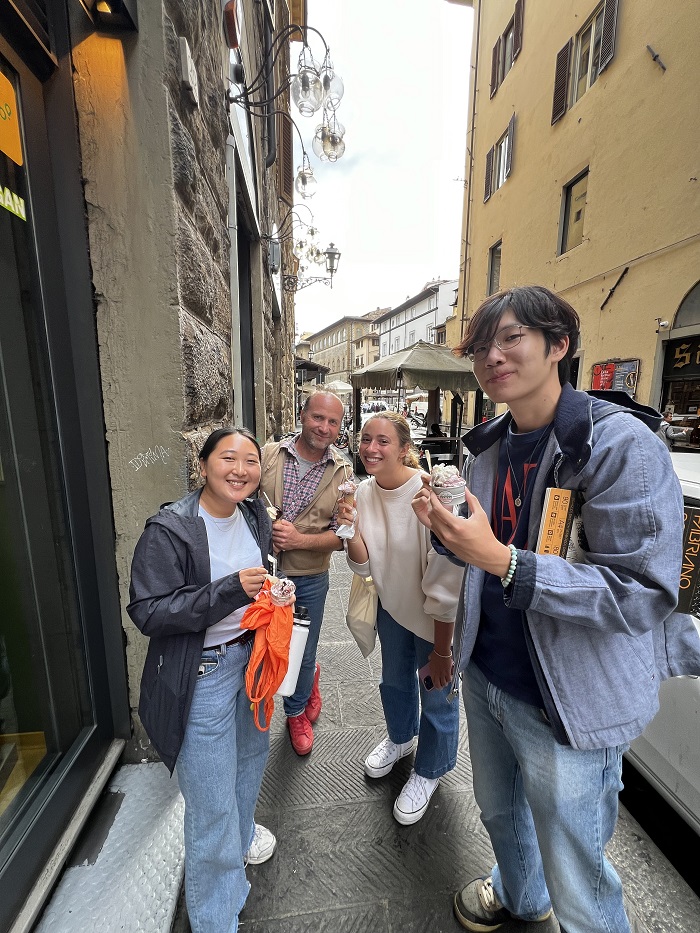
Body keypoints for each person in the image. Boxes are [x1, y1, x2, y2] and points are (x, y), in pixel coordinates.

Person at [411, 286, 700, 933]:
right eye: (481, 345)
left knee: (578, 870)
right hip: (488, 677)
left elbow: (641, 588)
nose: (493, 355)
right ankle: (518, 896)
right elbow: (473, 555)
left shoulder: (620, 446)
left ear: (558, 345)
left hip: (567, 701)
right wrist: (444, 532)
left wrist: (503, 561)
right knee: (499, 813)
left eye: (510, 337)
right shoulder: (484, 446)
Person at [127, 427, 276, 933]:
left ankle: (234, 855)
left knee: (251, 764)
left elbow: (257, 579)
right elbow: (148, 611)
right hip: (205, 675)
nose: (240, 470)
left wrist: (271, 599)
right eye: (228, 458)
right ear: (204, 464)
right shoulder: (169, 529)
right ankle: (215, 917)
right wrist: (229, 591)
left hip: (252, 665)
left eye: (251, 460)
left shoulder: (253, 513)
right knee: (210, 802)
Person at [337, 412, 464, 824]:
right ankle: (400, 739)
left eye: (383, 441)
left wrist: (443, 649)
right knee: (393, 682)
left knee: (438, 694)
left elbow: (448, 580)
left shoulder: (428, 495)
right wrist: (349, 528)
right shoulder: (361, 493)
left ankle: (430, 770)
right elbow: (362, 568)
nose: (371, 448)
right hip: (392, 609)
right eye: (366, 439)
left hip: (434, 620)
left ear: (405, 449)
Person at [260, 390, 347, 755]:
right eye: (317, 418)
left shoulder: (342, 472)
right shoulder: (268, 455)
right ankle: (305, 683)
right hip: (262, 573)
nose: (324, 427)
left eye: (333, 422)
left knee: (302, 648)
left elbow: (344, 538)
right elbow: (245, 505)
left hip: (310, 577)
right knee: (264, 646)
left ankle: (294, 712)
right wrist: (268, 534)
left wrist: (297, 539)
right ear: (301, 415)